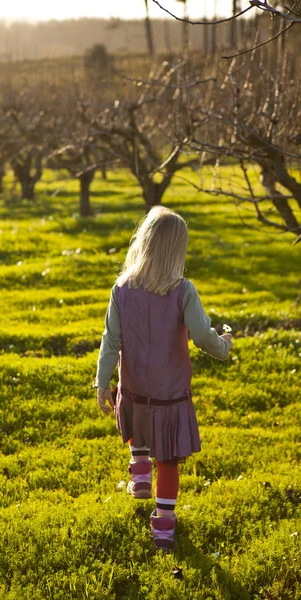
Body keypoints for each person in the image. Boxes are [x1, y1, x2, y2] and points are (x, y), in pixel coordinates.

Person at [93, 206, 233, 551]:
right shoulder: (183, 290)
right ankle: (164, 530)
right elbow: (202, 337)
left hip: (134, 389)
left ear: (143, 243)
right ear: (177, 251)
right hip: (170, 395)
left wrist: (101, 382)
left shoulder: (122, 288)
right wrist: (224, 346)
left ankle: (139, 468)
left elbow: (110, 341)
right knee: (169, 462)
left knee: (137, 421)